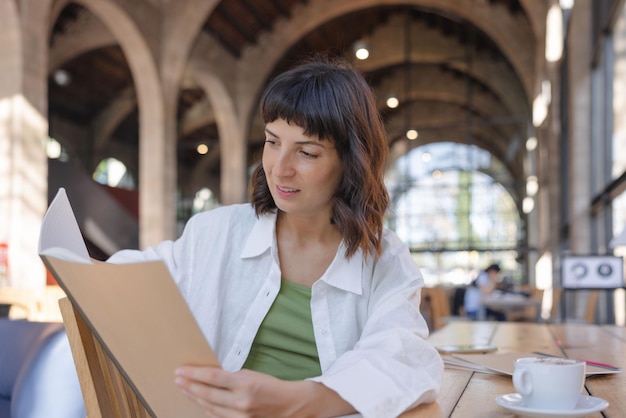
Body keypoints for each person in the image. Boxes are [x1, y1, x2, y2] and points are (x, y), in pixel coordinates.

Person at [107, 57, 443, 417]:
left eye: (307, 152)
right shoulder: (217, 232)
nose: (280, 169)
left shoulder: (383, 259)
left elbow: (404, 361)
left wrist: (298, 401)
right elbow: (126, 277)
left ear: (351, 161)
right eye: (272, 142)